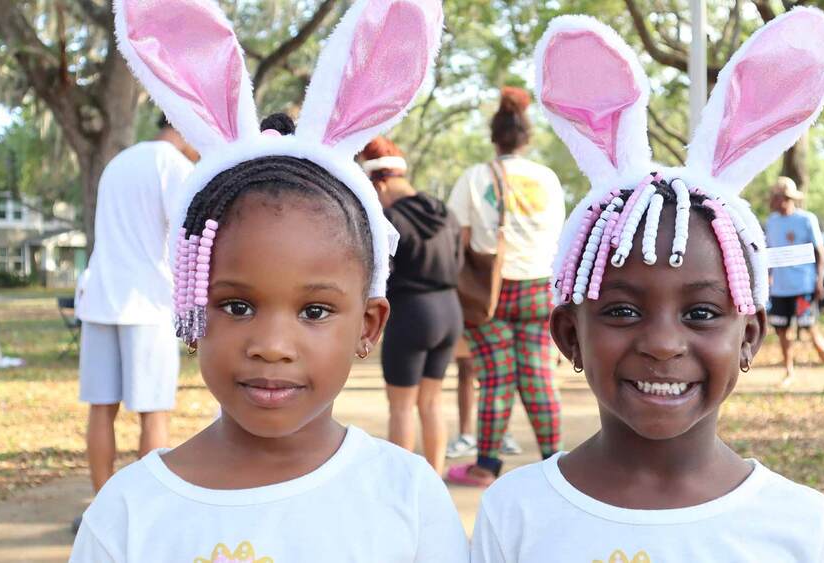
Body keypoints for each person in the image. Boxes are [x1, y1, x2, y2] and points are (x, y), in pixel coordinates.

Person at [72, 0, 467, 560]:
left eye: (314, 311)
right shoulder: (128, 514)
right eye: (236, 306)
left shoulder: (409, 496)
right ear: (188, 311)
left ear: (369, 324)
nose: (272, 347)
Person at [471, 10, 824, 562]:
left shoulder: (801, 527)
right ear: (568, 335)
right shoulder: (515, 513)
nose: (662, 343)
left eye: (701, 313)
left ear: (749, 336)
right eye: (623, 311)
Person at [445, 87, 565, 486]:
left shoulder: (473, 178)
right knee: (538, 376)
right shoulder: (547, 179)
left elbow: (457, 240)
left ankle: (487, 466)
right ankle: (554, 461)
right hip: (538, 287)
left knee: (496, 377)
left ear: (494, 137)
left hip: (487, 295)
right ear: (527, 137)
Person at [75, 112, 197, 504]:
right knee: (153, 413)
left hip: (99, 298)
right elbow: (186, 235)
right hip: (147, 302)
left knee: (101, 410)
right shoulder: (173, 164)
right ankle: (148, 511)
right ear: (187, 126)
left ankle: (99, 506)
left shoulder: (120, 161)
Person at [357, 136, 462, 475]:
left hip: (412, 314)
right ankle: (435, 482)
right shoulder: (445, 212)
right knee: (431, 403)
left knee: (401, 408)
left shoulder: (390, 220)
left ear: (380, 182)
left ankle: (402, 488)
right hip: (449, 311)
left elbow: (380, 275)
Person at [766, 176, 824, 383]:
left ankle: (820, 346)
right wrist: (768, 278)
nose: (771, 201)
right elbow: (769, 251)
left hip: (802, 285)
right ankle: (788, 370)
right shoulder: (772, 222)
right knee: (782, 330)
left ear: (785, 199)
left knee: (807, 323)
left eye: (775, 197)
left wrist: (819, 280)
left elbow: (820, 252)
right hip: (779, 288)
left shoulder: (806, 219)